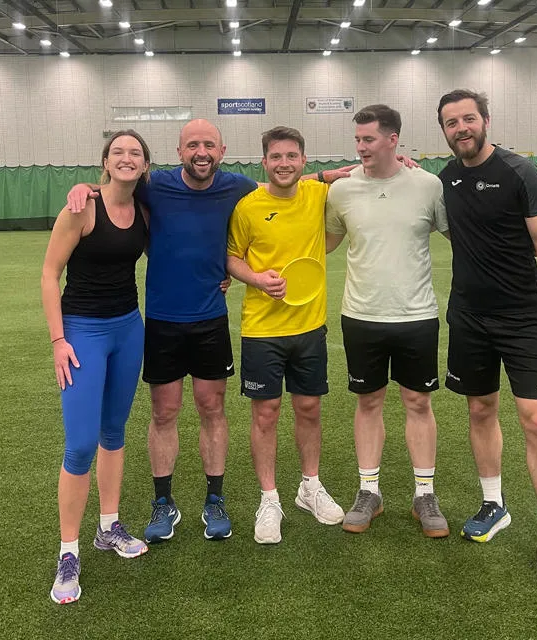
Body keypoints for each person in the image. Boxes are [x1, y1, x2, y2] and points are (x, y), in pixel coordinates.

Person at [67, 119, 353, 544]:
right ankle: (163, 502)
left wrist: (327, 175)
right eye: (192, 145)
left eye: (209, 146)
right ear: (179, 151)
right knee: (164, 412)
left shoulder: (236, 186)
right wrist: (86, 187)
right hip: (163, 321)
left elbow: (278, 179)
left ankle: (214, 499)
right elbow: (117, 186)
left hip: (210, 320)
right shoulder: (156, 185)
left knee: (211, 408)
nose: (201, 153)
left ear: (222, 151)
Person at [436, 89, 537, 581]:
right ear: (445, 131)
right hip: (468, 318)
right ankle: (493, 504)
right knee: (480, 409)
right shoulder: (446, 177)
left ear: (486, 121)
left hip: (521, 319)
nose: (461, 128)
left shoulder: (520, 173)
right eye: (451, 122)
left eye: (468, 119)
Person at [325, 105, 450, 538]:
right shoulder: (341, 191)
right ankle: (369, 492)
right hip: (361, 316)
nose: (360, 147)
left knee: (418, 403)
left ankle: (424, 495)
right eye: (357, 139)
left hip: (417, 316)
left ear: (393, 140)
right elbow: (322, 243)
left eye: (369, 139)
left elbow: (462, 235)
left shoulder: (428, 186)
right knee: (368, 402)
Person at [42, 130, 151, 604]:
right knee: (81, 443)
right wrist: (59, 339)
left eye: (136, 153)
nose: (127, 158)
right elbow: (49, 274)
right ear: (105, 161)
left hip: (129, 329)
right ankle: (69, 551)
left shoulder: (146, 209)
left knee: (114, 432)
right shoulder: (82, 207)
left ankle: (109, 526)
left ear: (145, 164)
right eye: (118, 152)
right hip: (83, 333)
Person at [226, 126, 345, 544]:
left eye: (291, 156)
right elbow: (231, 258)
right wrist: (257, 278)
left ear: (303, 161)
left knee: (309, 407)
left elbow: (357, 176)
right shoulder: (247, 207)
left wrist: (398, 160)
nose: (283, 164)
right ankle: (269, 498)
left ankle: (309, 487)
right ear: (264, 162)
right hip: (261, 328)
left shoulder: (317, 196)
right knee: (266, 413)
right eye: (275, 157)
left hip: (310, 326)